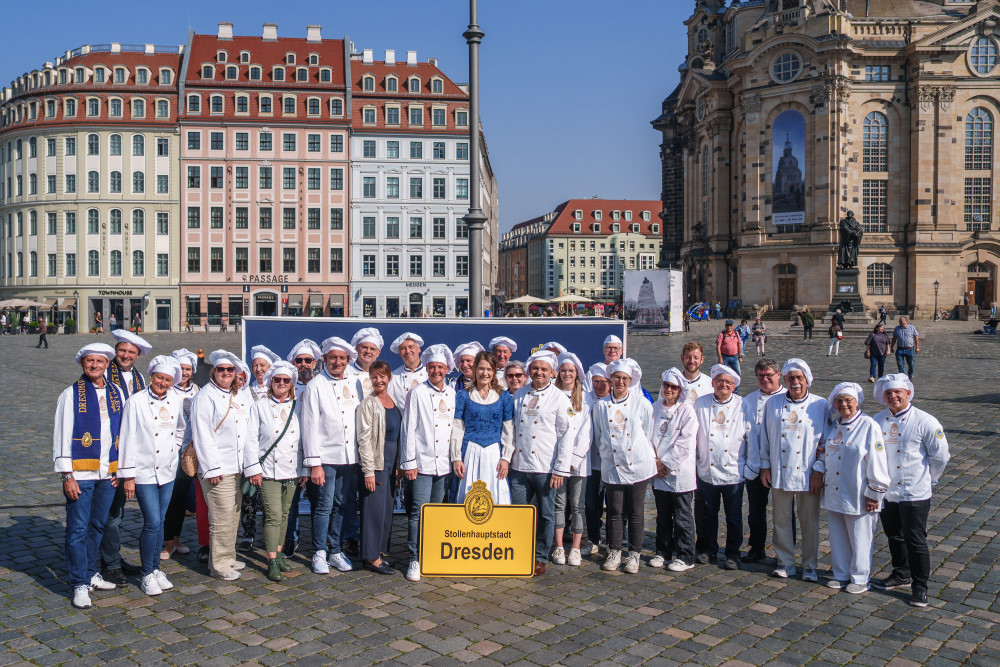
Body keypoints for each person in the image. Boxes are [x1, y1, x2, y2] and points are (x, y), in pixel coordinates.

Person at [870, 374, 950, 608]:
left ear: (908, 394)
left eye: (897, 392)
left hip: (915, 492)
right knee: (893, 534)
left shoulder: (926, 421)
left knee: (915, 540)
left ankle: (920, 586)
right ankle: (901, 573)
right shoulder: (877, 420)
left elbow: (940, 456)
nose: (893, 396)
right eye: (888, 393)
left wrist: (930, 479)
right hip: (887, 491)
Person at [53, 343, 123, 608]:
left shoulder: (116, 392)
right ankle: (78, 583)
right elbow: (61, 435)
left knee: (97, 526)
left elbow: (123, 433)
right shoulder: (70, 395)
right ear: (82, 364)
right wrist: (66, 476)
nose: (94, 365)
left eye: (100, 361)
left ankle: (90, 572)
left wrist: (121, 468)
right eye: (89, 361)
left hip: (108, 472)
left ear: (107, 364)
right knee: (78, 529)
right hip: (81, 473)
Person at [118, 355, 186, 596]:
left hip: (167, 471)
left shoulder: (176, 400)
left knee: (161, 522)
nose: (163, 383)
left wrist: (174, 449)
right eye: (159, 377)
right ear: (151, 376)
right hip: (143, 472)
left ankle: (156, 569)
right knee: (152, 522)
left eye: (168, 379)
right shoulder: (135, 402)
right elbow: (126, 439)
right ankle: (147, 573)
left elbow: (180, 428)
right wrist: (128, 476)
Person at [812, 382, 890, 594]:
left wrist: (875, 491)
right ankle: (841, 574)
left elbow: (877, 460)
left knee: (860, 537)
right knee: (837, 536)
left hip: (858, 493)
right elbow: (824, 451)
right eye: (839, 401)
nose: (843, 404)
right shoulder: (835, 425)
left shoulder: (868, 425)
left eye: (848, 400)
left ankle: (860, 577)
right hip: (835, 491)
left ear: (857, 402)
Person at [758, 359, 828, 581]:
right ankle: (785, 562)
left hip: (809, 474)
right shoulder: (773, 403)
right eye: (791, 378)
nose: (795, 382)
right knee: (781, 518)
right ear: (784, 379)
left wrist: (819, 470)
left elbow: (826, 442)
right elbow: (766, 438)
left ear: (807, 379)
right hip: (780, 469)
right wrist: (764, 466)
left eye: (799, 378)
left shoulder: (821, 404)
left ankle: (809, 565)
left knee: (810, 521)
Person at [507, 350, 573, 577]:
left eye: (544, 369)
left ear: (552, 372)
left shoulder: (560, 398)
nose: (539, 372)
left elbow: (566, 435)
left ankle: (540, 555)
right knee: (521, 512)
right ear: (529, 371)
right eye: (535, 368)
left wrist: (560, 468)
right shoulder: (519, 395)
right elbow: (511, 430)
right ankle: (520, 551)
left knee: (546, 514)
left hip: (546, 466)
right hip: (519, 466)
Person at [189, 350, 253, 580]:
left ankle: (228, 556)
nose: (226, 373)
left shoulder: (237, 395)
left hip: (237, 466)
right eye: (221, 370)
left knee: (233, 514)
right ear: (213, 372)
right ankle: (218, 565)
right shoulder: (205, 397)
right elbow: (202, 435)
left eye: (230, 370)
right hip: (217, 468)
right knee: (221, 516)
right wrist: (211, 468)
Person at [300, 336, 361, 574]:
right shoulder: (316, 385)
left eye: (342, 358)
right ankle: (318, 552)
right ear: (324, 359)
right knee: (323, 506)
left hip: (348, 457)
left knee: (341, 505)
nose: (337, 362)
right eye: (333, 358)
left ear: (348, 360)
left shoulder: (355, 382)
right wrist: (314, 464)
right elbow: (310, 425)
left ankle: (335, 550)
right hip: (325, 458)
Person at [592, 358, 655, 574]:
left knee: (636, 511)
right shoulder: (601, 406)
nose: (620, 382)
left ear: (630, 380)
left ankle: (635, 554)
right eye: (617, 378)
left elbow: (648, 431)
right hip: (612, 465)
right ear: (611, 379)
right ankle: (615, 551)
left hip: (638, 464)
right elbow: (599, 434)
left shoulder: (641, 403)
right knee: (614, 511)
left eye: (624, 379)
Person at [400, 344, 457, 582]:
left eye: (440, 367)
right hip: (421, 463)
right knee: (418, 512)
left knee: (435, 513)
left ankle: (430, 554)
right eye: (432, 367)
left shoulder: (453, 394)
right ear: (427, 369)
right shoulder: (417, 393)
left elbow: (455, 430)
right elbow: (408, 429)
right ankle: (414, 558)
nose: (436, 371)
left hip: (443, 465)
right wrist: (409, 462)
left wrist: (455, 460)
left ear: (447, 369)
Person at [101, 329, 152, 585]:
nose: (126, 355)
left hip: (132, 451)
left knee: (118, 510)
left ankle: (112, 556)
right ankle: (109, 564)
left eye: (132, 352)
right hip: (111, 452)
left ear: (138, 355)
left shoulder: (139, 378)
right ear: (115, 351)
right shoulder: (103, 375)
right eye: (122, 350)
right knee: (112, 512)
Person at [242, 361, 301, 582]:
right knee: (273, 516)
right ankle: (272, 560)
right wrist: (253, 469)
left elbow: (303, 441)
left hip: (292, 470)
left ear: (291, 384)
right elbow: (250, 440)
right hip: (267, 471)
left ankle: (278, 553)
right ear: (271, 382)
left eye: (286, 380)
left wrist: (303, 468)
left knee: (285, 515)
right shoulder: (260, 406)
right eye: (278, 380)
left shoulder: (298, 406)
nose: (282, 383)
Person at [693, 365, 749, 570]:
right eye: (719, 381)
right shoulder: (701, 403)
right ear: (713, 383)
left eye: (728, 382)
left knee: (734, 516)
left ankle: (733, 553)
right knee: (708, 513)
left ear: (733, 386)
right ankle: (709, 549)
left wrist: (751, 465)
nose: (723, 385)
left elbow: (751, 435)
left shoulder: (743, 405)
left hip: (734, 470)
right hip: (707, 469)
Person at [649, 368, 698, 572]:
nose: (669, 390)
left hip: (679, 472)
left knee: (682, 516)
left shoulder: (687, 411)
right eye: (666, 386)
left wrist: (665, 463)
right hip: (658, 471)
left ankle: (686, 555)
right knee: (663, 515)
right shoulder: (654, 407)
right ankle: (663, 551)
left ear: (680, 390)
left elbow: (685, 443)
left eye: (673, 387)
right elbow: (646, 436)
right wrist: (654, 462)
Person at [451, 351, 513, 506]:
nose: (485, 373)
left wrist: (505, 458)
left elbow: (508, 429)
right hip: (470, 452)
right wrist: (456, 457)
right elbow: (458, 428)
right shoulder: (463, 396)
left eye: (489, 369)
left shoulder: (504, 397)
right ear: (475, 370)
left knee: (496, 495)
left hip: (494, 453)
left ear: (494, 371)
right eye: (481, 369)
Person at [355, 361, 400, 575]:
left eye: (382, 376)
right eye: (374, 377)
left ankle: (379, 553)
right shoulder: (368, 404)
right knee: (373, 511)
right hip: (377, 462)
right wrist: (368, 471)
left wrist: (399, 464)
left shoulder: (393, 401)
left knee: (385, 511)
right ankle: (371, 557)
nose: (378, 380)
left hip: (391, 464)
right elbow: (363, 440)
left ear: (389, 377)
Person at [741, 358, 786, 564]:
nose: (765, 379)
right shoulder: (749, 399)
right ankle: (757, 546)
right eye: (761, 376)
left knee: (783, 512)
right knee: (755, 510)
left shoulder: (787, 397)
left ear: (779, 375)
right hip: (755, 463)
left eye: (769, 375)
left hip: (780, 463)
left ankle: (784, 552)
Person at [549, 352, 592, 567]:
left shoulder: (585, 398)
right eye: (564, 370)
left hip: (578, 463)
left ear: (577, 374)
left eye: (571, 371)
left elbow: (586, 432)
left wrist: (573, 458)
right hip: (556, 461)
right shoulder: (552, 395)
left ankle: (575, 548)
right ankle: (558, 546)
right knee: (559, 504)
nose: (567, 374)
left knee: (577, 506)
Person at [282, 338, 321, 556]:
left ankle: (318, 544)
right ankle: (290, 538)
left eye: (308, 360)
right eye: (299, 360)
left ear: (315, 363)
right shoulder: (285, 387)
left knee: (319, 502)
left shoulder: (322, 386)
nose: (304, 364)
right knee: (290, 502)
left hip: (318, 454)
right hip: (293, 454)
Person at [162, 348, 200, 561]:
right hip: (170, 451)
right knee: (172, 499)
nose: (184, 373)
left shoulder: (197, 390)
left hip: (190, 452)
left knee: (185, 498)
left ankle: (176, 539)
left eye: (187, 369)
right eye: (180, 369)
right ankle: (168, 542)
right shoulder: (168, 389)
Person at [584, 363, 610, 554]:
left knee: (616, 505)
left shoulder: (613, 402)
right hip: (591, 461)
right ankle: (593, 538)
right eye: (596, 381)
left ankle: (614, 541)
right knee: (592, 503)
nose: (600, 385)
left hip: (611, 463)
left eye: (603, 382)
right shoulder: (585, 401)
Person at [388, 332, 428, 407]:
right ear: (400, 352)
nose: (407, 351)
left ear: (418, 349)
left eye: (411, 347)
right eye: (403, 348)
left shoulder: (429, 373)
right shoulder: (394, 377)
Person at [346, 327, 384, 397]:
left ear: (378, 353)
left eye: (372, 349)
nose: (368, 351)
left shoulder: (383, 374)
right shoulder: (345, 371)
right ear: (356, 348)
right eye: (364, 347)